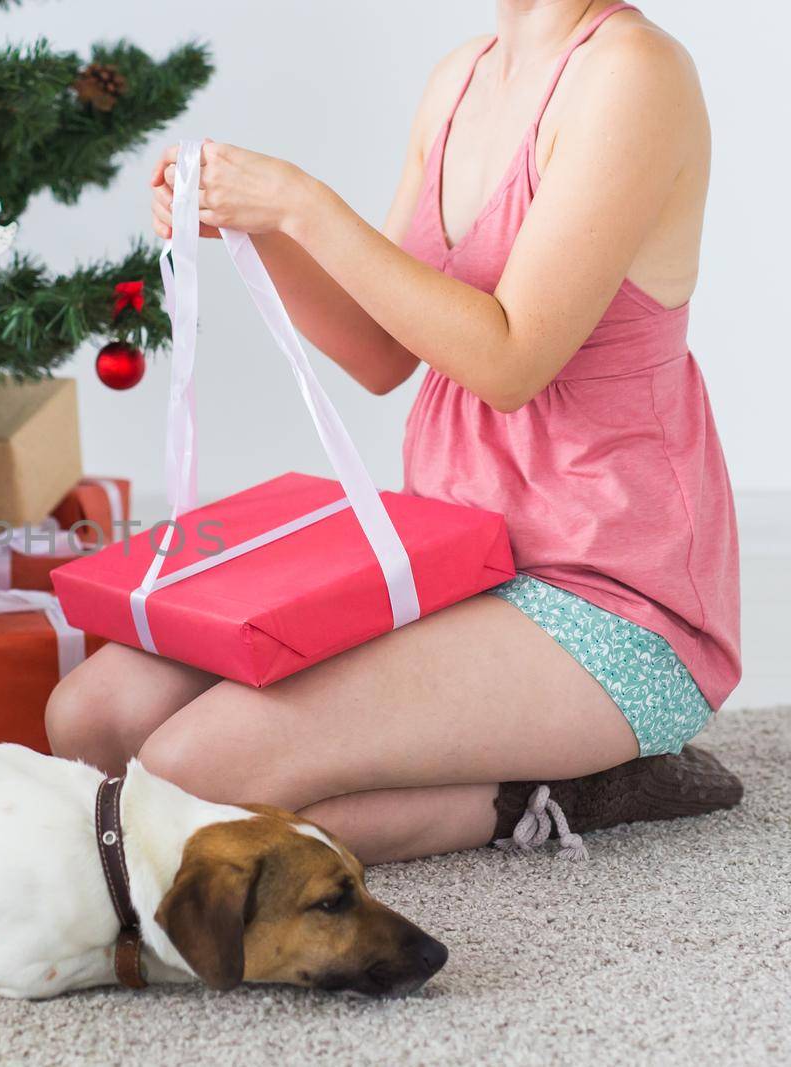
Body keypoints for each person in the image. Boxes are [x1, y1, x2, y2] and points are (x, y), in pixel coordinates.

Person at [46, 1, 742, 863]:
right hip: (451, 556)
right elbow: (382, 352)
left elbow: (509, 359)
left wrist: (302, 204)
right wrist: (258, 230)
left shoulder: (634, 74)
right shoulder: (461, 77)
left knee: (192, 771)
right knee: (90, 717)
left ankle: (560, 793)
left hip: (610, 599)